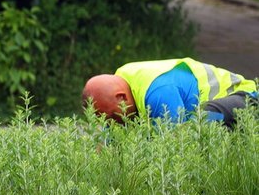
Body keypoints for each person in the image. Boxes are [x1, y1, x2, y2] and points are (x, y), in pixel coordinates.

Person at [82, 58, 258, 128]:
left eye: (111, 117)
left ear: (121, 97)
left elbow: (174, 143)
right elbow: (110, 148)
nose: (111, 123)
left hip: (245, 99)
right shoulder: (122, 87)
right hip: (227, 106)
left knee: (197, 125)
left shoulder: (158, 92)